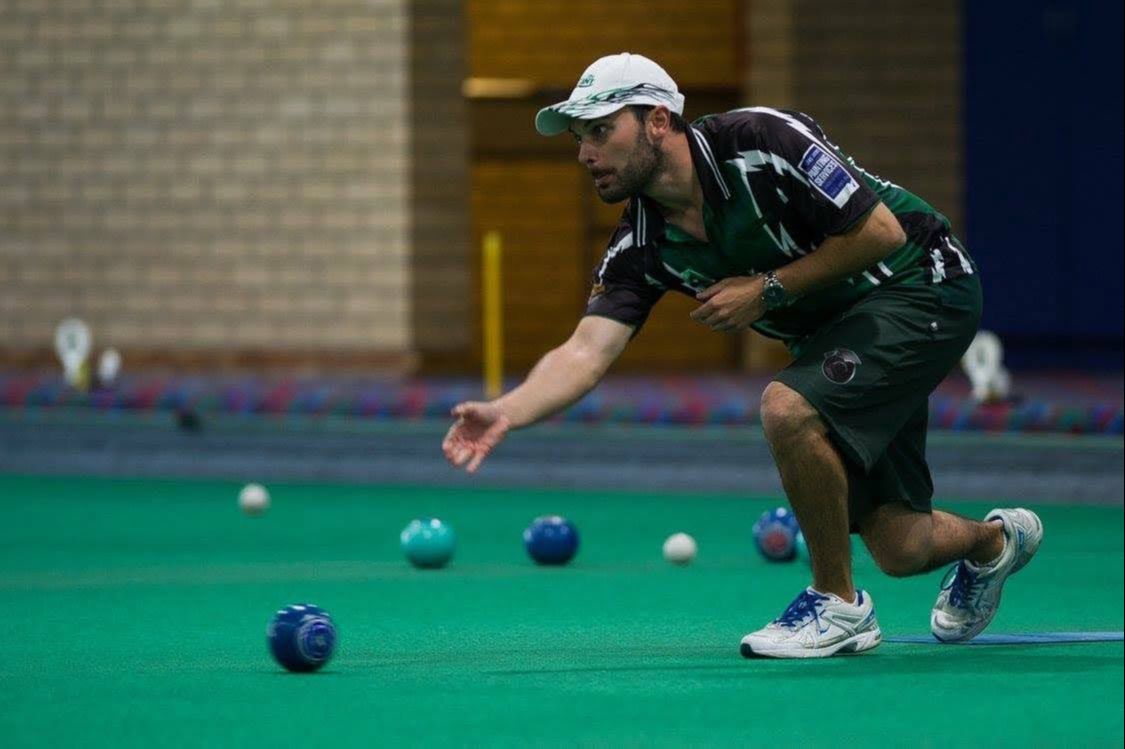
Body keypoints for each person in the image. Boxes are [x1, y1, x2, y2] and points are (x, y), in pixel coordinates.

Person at [442, 53, 1043, 658]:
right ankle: (995, 543)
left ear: (657, 120)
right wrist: (508, 411)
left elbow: (880, 232)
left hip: (922, 281)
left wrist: (769, 289)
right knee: (902, 546)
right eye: (580, 138)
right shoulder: (642, 244)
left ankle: (837, 604)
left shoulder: (763, 140)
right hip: (839, 333)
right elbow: (585, 351)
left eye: (601, 130)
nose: (585, 153)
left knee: (789, 409)